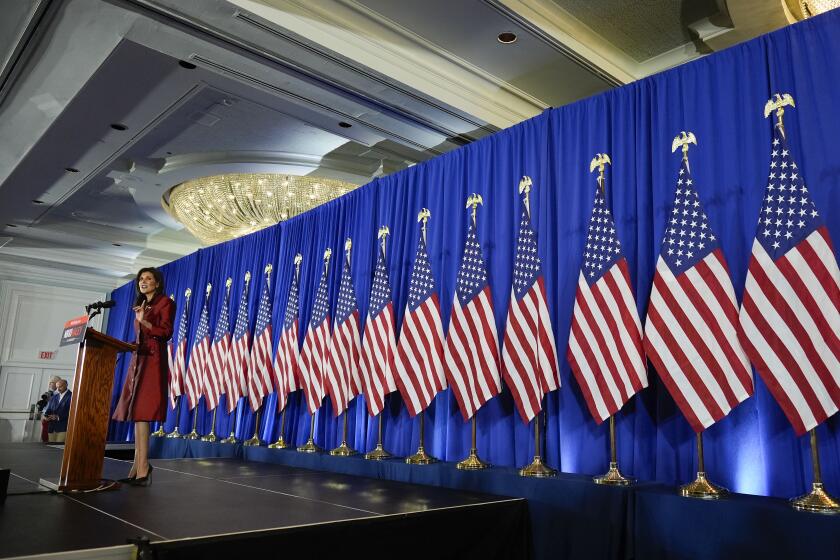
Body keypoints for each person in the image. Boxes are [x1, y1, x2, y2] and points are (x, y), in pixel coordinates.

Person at [112, 267, 175, 486]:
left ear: (157, 283)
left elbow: (165, 332)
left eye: (148, 278)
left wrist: (145, 321)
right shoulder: (142, 306)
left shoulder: (165, 302)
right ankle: (139, 465)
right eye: (141, 279)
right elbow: (139, 335)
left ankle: (143, 467)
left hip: (153, 360)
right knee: (137, 413)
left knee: (143, 412)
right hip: (138, 359)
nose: (143, 281)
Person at [37, 376, 62, 442]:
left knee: (50, 439)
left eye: (52, 382)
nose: (50, 384)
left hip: (53, 419)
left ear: (57, 384)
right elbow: (46, 406)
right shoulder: (49, 393)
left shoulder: (59, 394)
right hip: (45, 418)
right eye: (50, 382)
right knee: (44, 438)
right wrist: (41, 406)